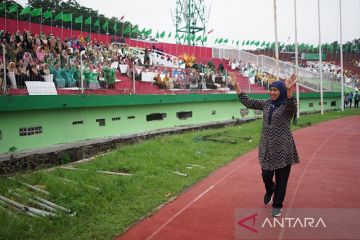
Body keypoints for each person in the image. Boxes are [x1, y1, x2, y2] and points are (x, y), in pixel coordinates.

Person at [231, 74, 300, 217]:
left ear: (280, 92)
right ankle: (270, 189)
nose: (272, 92)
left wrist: (288, 90)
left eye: (276, 90)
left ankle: (277, 205)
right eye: (271, 89)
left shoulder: (287, 107)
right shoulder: (266, 104)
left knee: (282, 180)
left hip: (283, 149)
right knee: (266, 174)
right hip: (267, 148)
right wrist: (236, 86)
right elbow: (248, 102)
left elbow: (292, 106)